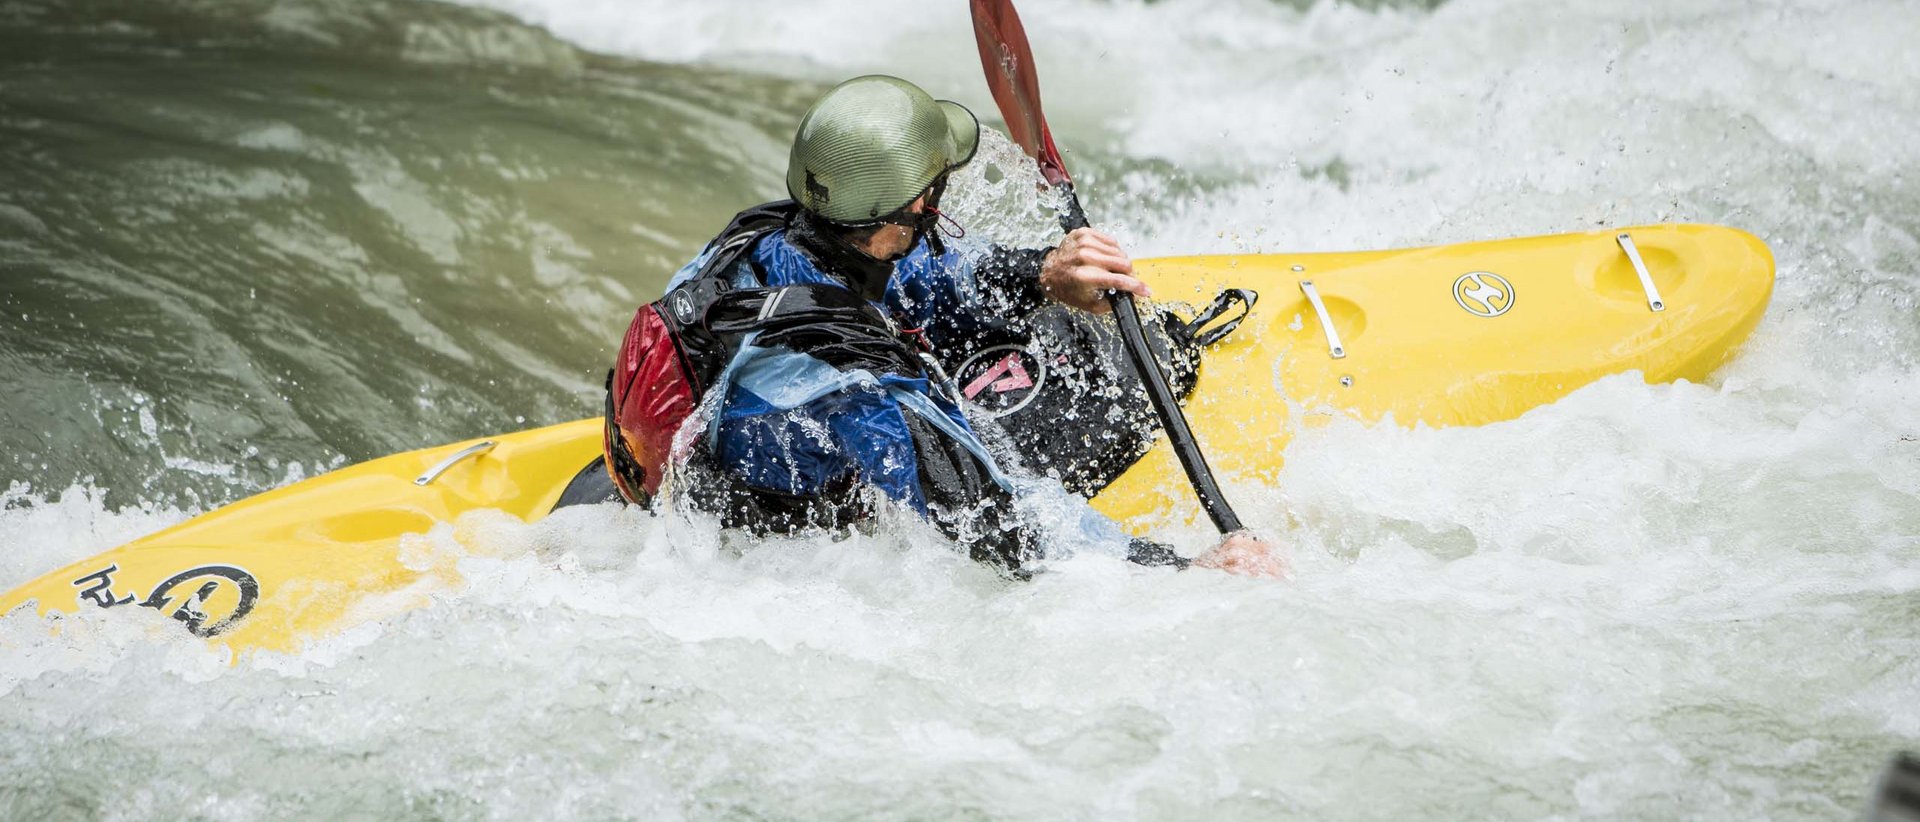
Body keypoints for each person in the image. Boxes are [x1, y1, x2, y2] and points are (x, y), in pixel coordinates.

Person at [610, 75, 1280, 579]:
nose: (940, 202)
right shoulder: (857, 383)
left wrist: (1047, 273)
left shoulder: (767, 237)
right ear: (907, 208)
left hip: (707, 469)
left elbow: (931, 275)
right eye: (932, 193)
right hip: (773, 538)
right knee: (1094, 391)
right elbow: (999, 522)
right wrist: (1181, 570)